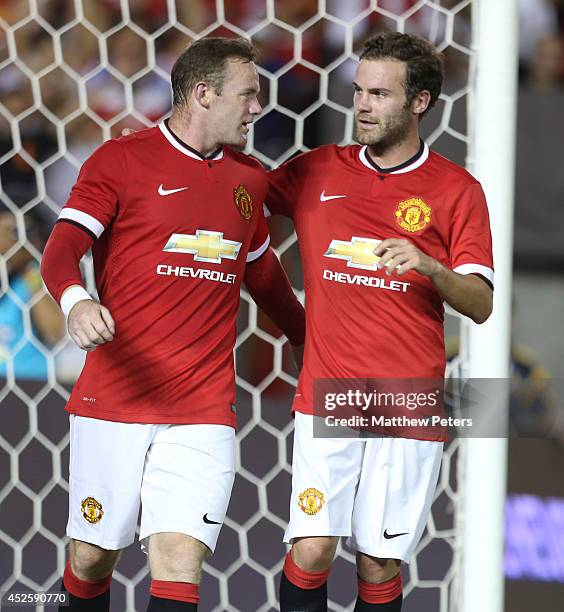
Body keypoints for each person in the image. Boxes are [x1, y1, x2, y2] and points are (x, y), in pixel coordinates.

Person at [41, 37, 305, 612]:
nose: (258, 108)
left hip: (203, 407)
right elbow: (60, 252)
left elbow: (264, 280)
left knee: (180, 560)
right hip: (116, 396)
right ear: (203, 94)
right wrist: (77, 302)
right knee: (90, 559)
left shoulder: (249, 180)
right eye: (248, 95)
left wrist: (313, 340)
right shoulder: (121, 159)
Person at [266, 32, 494, 611]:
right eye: (358, 92)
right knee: (312, 546)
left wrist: (430, 267)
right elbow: (235, 194)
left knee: (378, 559)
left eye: (379, 95)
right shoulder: (317, 170)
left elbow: (481, 302)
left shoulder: (456, 191)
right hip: (331, 391)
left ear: (419, 102)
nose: (362, 106)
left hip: (407, 398)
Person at [0, 209, 64, 379]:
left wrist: (28, 266)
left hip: (29, 383)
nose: (6, 241)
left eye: (13, 232)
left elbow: (55, 333)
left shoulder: (34, 278)